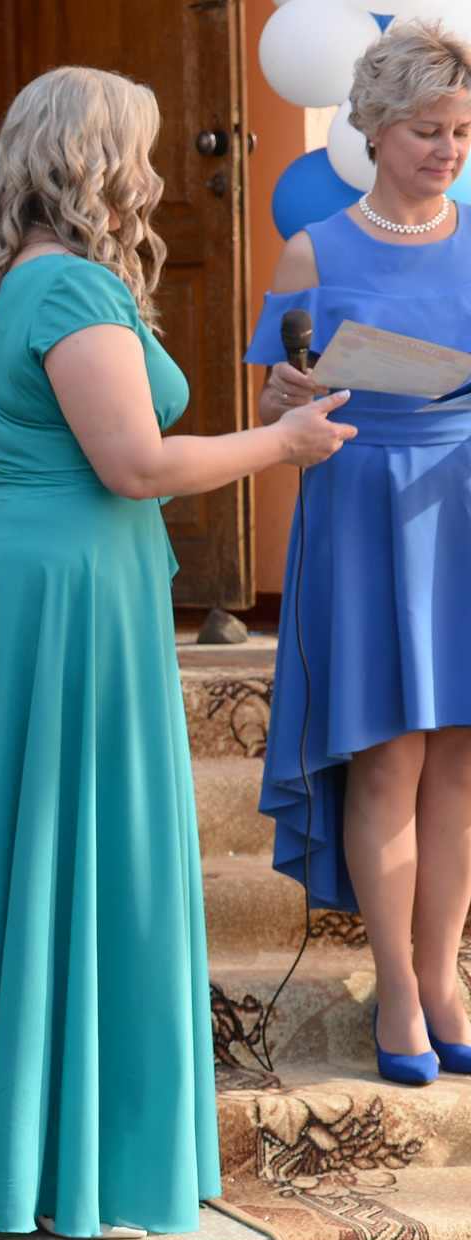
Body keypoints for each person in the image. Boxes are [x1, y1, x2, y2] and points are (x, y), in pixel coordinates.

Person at [0, 69, 352, 1236]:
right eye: (140, 150)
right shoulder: (73, 286)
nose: (156, 175)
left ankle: (23, 1123)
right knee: (79, 848)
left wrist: (264, 406)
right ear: (97, 162)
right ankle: (66, 1154)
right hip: (64, 593)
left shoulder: (25, 282)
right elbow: (133, 462)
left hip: (34, 578)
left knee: (31, 848)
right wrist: (278, 442)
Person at [248, 18, 471, 1086]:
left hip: (459, 501)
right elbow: (266, 400)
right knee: (387, 754)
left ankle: (444, 976)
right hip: (356, 504)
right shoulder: (312, 250)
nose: (446, 150)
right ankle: (393, 985)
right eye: (427, 129)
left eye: (462, 131)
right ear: (376, 130)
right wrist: (285, 394)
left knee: (461, 754)